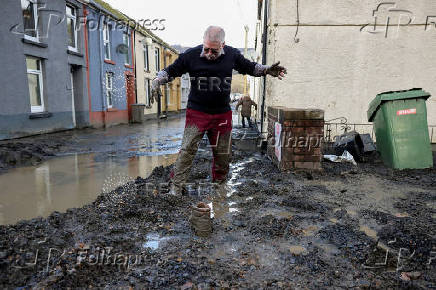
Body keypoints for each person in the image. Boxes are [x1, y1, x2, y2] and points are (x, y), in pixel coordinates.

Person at [152, 26, 286, 195]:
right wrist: (158, 79)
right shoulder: (191, 55)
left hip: (222, 114)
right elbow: (171, 71)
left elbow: (249, 67)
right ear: (203, 43)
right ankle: (176, 187)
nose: (209, 53)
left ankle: (219, 185)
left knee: (223, 154)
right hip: (197, 113)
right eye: (206, 49)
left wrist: (266, 70)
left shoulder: (231, 54)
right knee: (187, 150)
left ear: (223, 44)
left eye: (213, 50)